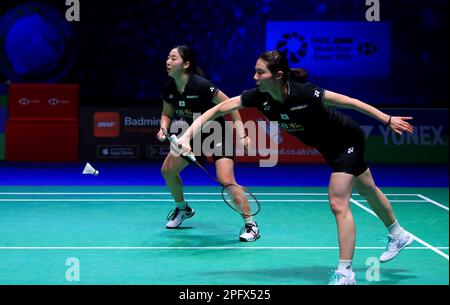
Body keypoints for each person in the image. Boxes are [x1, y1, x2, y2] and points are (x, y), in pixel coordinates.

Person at [177, 50, 415, 284]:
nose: (255, 77)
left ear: (278, 75)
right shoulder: (259, 97)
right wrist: (187, 137)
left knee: (338, 203)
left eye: (260, 72)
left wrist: (386, 119)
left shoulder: (305, 93)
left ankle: (345, 273)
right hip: (327, 148)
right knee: (367, 189)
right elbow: (219, 108)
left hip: (346, 140)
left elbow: (350, 102)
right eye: (255, 72)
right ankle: (398, 234)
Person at [156, 45, 260, 242]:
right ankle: (182, 209)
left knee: (226, 180)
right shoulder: (169, 89)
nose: (168, 62)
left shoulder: (201, 85)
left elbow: (231, 105)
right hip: (192, 137)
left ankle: (251, 224)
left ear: (186, 64)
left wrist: (242, 134)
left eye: (173, 58)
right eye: (168, 58)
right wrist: (163, 127)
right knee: (167, 171)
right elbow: (166, 113)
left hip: (218, 135)